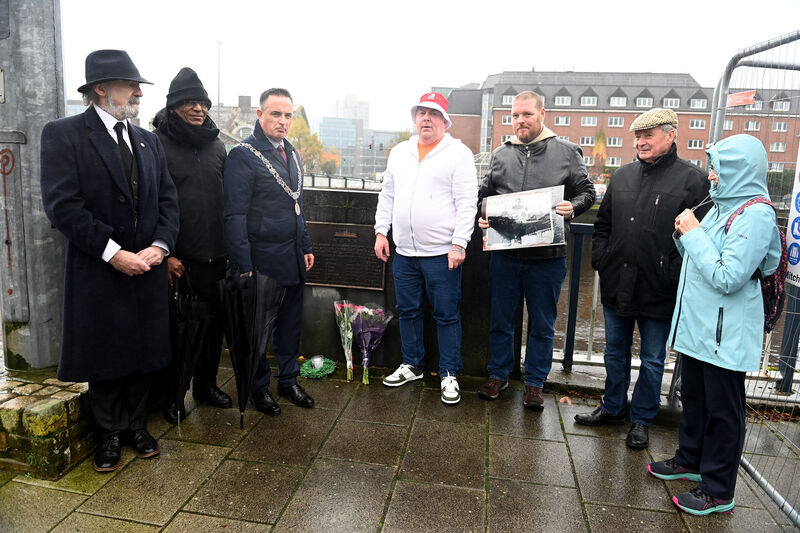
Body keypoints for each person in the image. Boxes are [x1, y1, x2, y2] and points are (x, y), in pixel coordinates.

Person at [40, 50, 179, 472]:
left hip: (148, 269)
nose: (138, 93)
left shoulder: (147, 140)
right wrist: (114, 253)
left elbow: (169, 202)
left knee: (144, 349)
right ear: (101, 89)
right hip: (99, 269)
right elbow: (63, 207)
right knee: (105, 354)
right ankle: (109, 434)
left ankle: (137, 425)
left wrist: (160, 245)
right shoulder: (63, 134)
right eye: (129, 85)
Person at [648, 134, 781, 515]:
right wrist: (684, 237)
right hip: (700, 328)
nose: (711, 176)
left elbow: (727, 276)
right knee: (695, 397)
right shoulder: (723, 206)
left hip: (726, 333)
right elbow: (702, 261)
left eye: (718, 168)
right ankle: (689, 459)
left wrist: (693, 234)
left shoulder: (757, 214)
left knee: (724, 411)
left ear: (738, 169)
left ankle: (719, 489)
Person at [574, 108, 710, 449]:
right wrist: (601, 259)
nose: (640, 142)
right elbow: (602, 225)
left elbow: (702, 236)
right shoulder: (622, 176)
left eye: (648, 135)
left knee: (652, 360)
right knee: (613, 352)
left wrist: (673, 274)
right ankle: (613, 407)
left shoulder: (693, 180)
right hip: (617, 281)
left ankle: (642, 420)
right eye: (637, 136)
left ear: (670, 135)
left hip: (659, 288)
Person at [477, 91, 595, 409]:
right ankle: (499, 374)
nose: (520, 121)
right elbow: (484, 195)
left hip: (547, 257)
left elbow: (588, 191)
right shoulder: (501, 154)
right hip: (505, 255)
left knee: (542, 323)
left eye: (526, 114)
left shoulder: (567, 152)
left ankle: (534, 382)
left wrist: (574, 206)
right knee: (501, 319)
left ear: (543, 113)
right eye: (515, 116)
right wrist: (484, 216)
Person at [374, 92, 477, 405]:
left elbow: (466, 202)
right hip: (404, 251)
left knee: (446, 314)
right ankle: (412, 364)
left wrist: (459, 243)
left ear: (445, 121)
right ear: (414, 119)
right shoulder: (400, 152)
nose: (426, 119)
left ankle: (449, 373)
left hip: (441, 253)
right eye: (421, 113)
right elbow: (387, 194)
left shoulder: (458, 154)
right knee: (407, 310)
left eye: (433, 114)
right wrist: (381, 232)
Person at [223, 88, 315, 416]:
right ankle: (259, 387)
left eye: (288, 115)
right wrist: (243, 265)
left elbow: (297, 205)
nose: (283, 121)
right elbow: (234, 215)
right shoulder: (243, 155)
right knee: (258, 330)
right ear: (259, 115)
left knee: (290, 326)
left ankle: (288, 381)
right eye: (276, 114)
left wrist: (304, 245)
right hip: (261, 259)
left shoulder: (291, 152)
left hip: (291, 256)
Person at [153, 67, 231, 423]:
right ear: (173, 107)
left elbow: (228, 200)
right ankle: (173, 394)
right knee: (180, 332)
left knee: (213, 325)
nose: (198, 108)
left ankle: (206, 384)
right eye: (189, 102)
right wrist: (166, 253)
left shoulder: (217, 146)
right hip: (179, 259)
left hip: (216, 256)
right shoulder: (157, 144)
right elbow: (150, 204)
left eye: (202, 102)